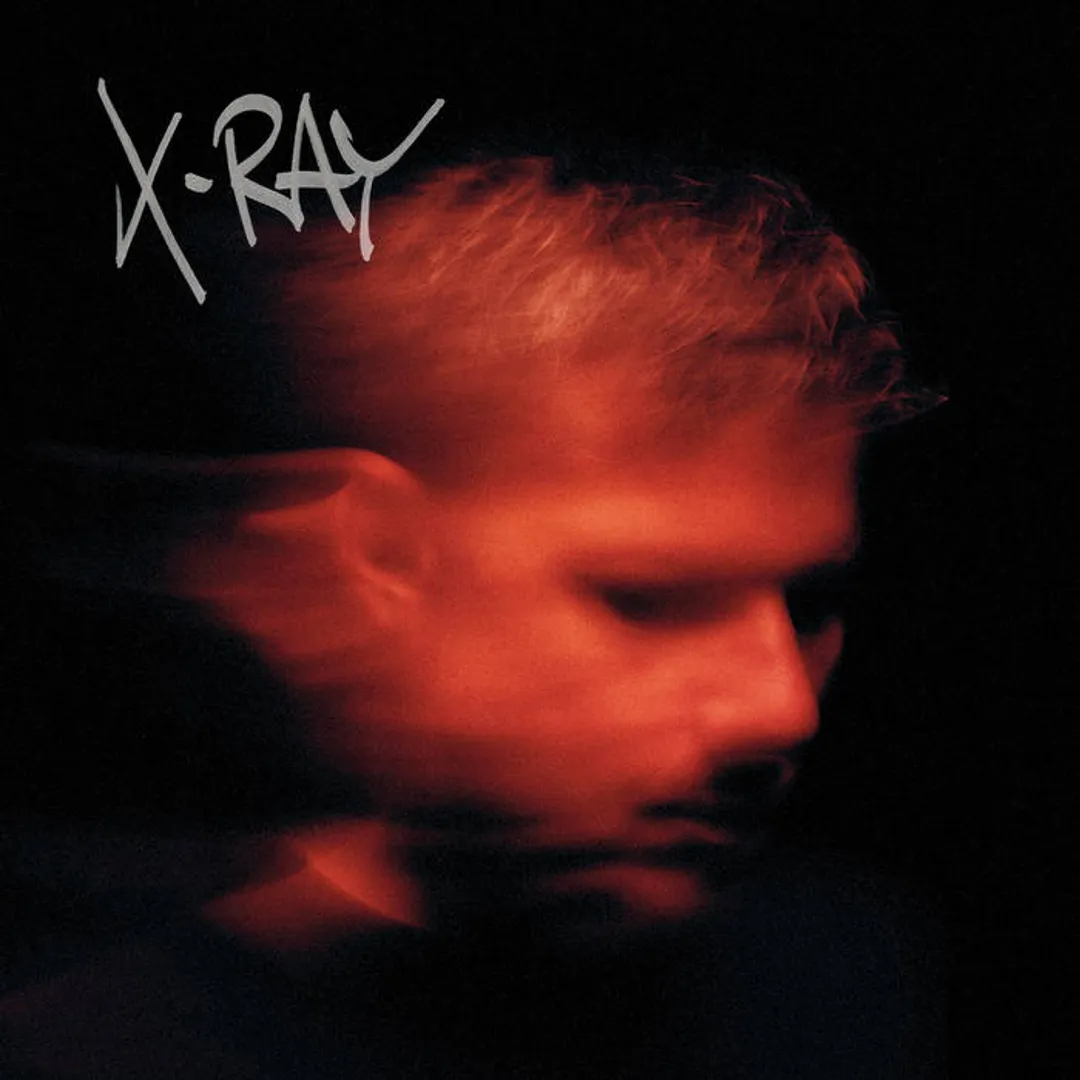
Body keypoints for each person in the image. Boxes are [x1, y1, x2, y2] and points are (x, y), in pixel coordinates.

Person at [1, 158, 945, 1078]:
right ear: (367, 562)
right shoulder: (78, 1049)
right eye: (645, 600)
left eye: (809, 605)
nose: (781, 710)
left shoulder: (848, 980)